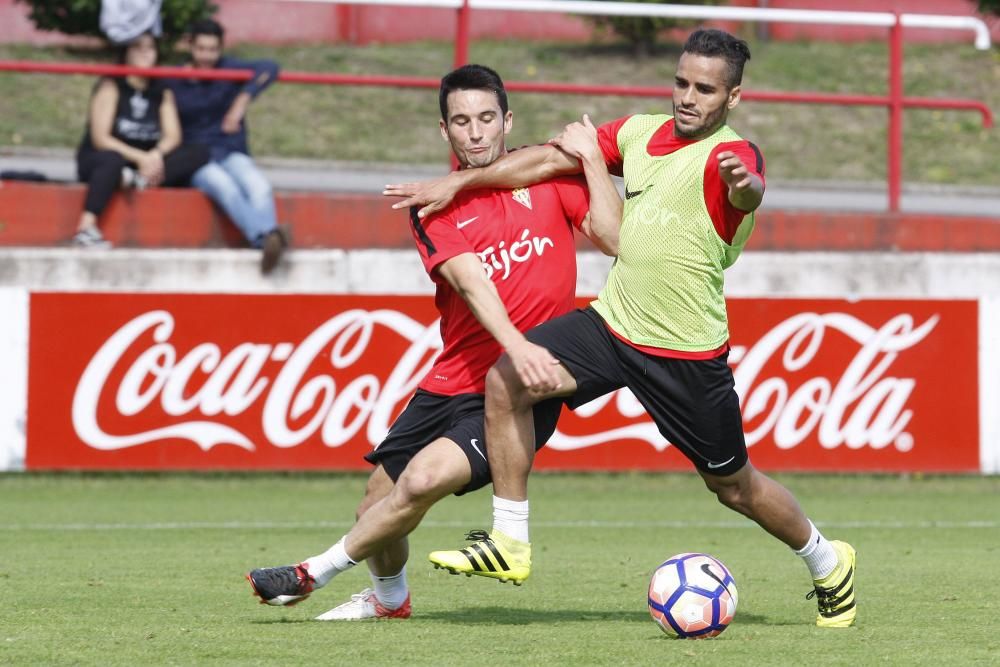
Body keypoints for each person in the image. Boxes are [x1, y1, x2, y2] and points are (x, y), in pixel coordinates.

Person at [390, 29, 858, 629]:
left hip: (684, 351)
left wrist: (747, 189)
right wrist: (459, 181)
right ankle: (510, 540)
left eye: (706, 89)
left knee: (735, 487)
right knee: (507, 375)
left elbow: (751, 190)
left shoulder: (733, 159)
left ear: (733, 98)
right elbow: (543, 160)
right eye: (682, 82)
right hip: (613, 325)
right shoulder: (639, 133)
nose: (688, 97)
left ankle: (827, 560)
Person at [246, 64, 621, 620]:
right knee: (374, 502)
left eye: (487, 118)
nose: (476, 132)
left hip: (518, 388)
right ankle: (390, 601)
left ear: (507, 120)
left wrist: (592, 160)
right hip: (453, 378)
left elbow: (616, 240)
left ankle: (310, 573)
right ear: (444, 131)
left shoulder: (547, 179)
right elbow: (471, 282)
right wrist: (514, 341)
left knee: (421, 481)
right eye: (462, 121)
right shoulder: (432, 205)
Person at [167, 19, 288, 274]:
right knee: (224, 186)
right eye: (201, 49)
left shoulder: (229, 69)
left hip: (230, 150)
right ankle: (266, 238)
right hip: (197, 157)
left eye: (213, 50)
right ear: (190, 46)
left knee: (259, 186)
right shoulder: (175, 79)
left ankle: (266, 242)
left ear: (221, 48)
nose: (207, 56)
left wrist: (242, 100)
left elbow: (270, 67)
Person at [74, 32, 209, 248]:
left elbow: (173, 136)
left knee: (198, 152)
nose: (145, 53)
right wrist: (141, 157)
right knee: (111, 160)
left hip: (142, 164)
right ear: (126, 52)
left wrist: (155, 154)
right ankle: (85, 228)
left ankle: (136, 179)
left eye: (151, 47)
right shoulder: (112, 85)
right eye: (138, 47)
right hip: (107, 158)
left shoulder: (162, 90)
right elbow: (100, 139)